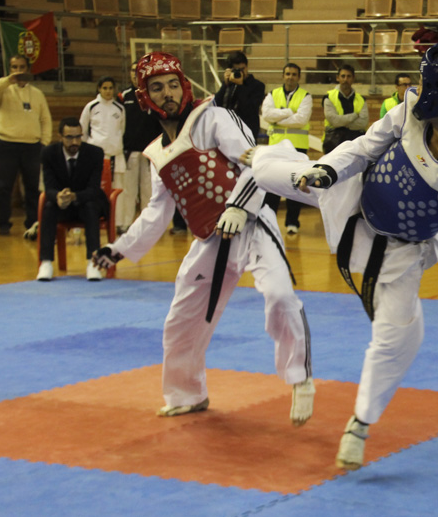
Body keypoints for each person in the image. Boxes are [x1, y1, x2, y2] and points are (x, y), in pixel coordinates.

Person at [246, 42, 438, 470]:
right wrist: (327, 169)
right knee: (268, 171)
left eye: (426, 83)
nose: (417, 89)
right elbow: (364, 147)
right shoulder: (409, 113)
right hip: (353, 197)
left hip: (402, 250)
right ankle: (270, 157)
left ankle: (360, 425)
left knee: (398, 338)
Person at [91, 52, 314, 425]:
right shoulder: (156, 154)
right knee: (181, 319)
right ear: (145, 97)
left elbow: (256, 165)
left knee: (279, 295)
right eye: (157, 88)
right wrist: (118, 250)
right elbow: (156, 213)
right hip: (210, 238)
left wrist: (240, 207)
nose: (168, 94)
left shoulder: (213, 118)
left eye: (173, 85)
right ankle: (187, 393)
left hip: (253, 223)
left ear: (186, 85)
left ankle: (300, 378)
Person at [0, 54, 52, 237]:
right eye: (14, 67)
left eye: (22, 67)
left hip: (32, 147)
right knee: (4, 186)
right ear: (9, 69)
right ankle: (3, 224)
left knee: (33, 187)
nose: (18, 71)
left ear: (27, 69)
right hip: (6, 145)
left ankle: (33, 222)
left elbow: (45, 120)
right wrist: (8, 80)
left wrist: (43, 143)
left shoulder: (37, 94)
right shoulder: (2, 90)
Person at [36, 117, 107, 282]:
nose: (74, 141)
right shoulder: (48, 153)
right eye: (69, 138)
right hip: (62, 205)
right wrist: (58, 197)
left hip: (86, 202)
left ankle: (92, 262)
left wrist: (75, 196)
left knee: (90, 207)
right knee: (48, 206)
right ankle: (45, 263)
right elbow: (49, 186)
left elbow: (94, 189)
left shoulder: (95, 153)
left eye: (78, 137)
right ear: (60, 136)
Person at [261, 62, 312, 234]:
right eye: (287, 74)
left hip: (297, 147)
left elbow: (301, 120)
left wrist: (278, 116)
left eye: (294, 74)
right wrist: (289, 111)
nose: (290, 77)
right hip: (275, 146)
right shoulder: (272, 94)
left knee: (296, 185)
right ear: (283, 76)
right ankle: (268, 221)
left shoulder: (306, 96)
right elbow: (266, 114)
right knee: (272, 185)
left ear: (299, 77)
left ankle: (292, 223)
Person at [118, 64, 164, 235]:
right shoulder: (123, 97)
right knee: (128, 190)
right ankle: (126, 223)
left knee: (149, 190)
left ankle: (149, 226)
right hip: (130, 151)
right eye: (132, 72)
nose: (135, 75)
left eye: (138, 72)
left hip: (150, 152)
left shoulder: (153, 94)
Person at [79, 76, 127, 233]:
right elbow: (82, 130)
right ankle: (91, 220)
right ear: (99, 89)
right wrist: (88, 151)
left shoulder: (119, 109)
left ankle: (117, 223)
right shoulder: (91, 107)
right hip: (96, 156)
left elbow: (122, 130)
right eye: (104, 88)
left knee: (117, 189)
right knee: (94, 189)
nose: (108, 91)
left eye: (110, 88)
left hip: (115, 155)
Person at [214, 51, 265, 142]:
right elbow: (216, 104)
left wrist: (240, 85)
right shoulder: (228, 84)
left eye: (243, 69)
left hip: (247, 133)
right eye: (236, 70)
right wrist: (225, 85)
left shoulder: (258, 86)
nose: (241, 73)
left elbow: (250, 109)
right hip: (226, 132)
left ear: (247, 66)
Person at [322, 64, 368, 154]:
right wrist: (355, 115)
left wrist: (342, 123)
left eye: (348, 76)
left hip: (355, 145)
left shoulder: (361, 99)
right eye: (343, 76)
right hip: (333, 144)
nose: (345, 79)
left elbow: (363, 123)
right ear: (337, 78)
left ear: (353, 78)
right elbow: (334, 121)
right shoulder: (329, 97)